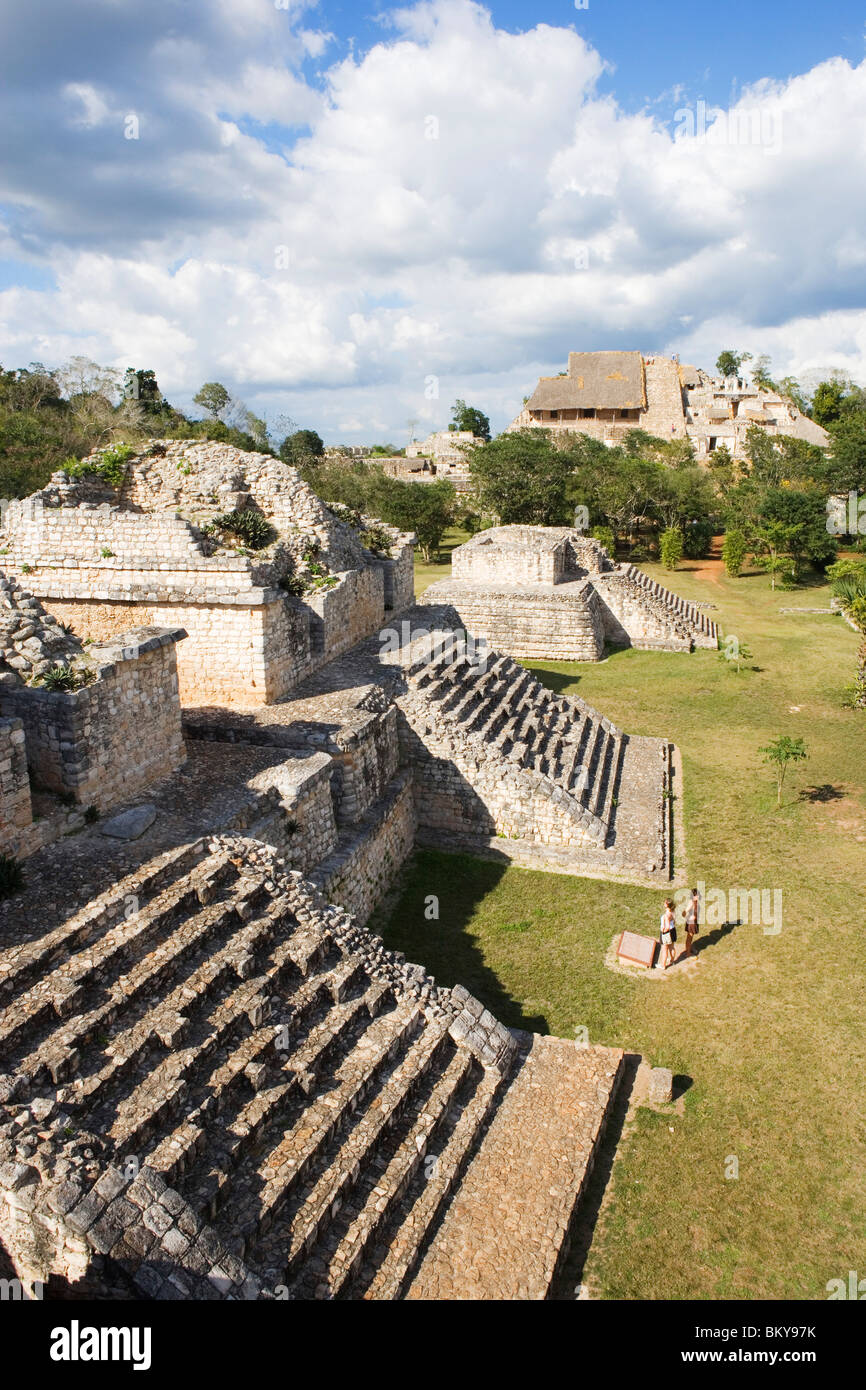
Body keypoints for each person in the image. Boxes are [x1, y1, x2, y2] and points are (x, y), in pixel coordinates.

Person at [658, 897, 677, 969]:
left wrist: (663, 931)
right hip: (673, 931)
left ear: (667, 905)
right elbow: (674, 922)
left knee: (664, 949)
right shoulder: (673, 912)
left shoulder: (666, 915)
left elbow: (667, 927)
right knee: (672, 947)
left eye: (665, 902)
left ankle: (663, 965)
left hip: (667, 933)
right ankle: (672, 961)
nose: (664, 903)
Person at [682, 887, 700, 958]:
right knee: (689, 938)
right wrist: (689, 917)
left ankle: (689, 949)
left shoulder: (696, 902)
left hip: (694, 922)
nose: (698, 897)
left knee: (691, 937)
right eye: (696, 896)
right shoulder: (691, 902)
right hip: (691, 923)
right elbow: (684, 912)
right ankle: (688, 953)